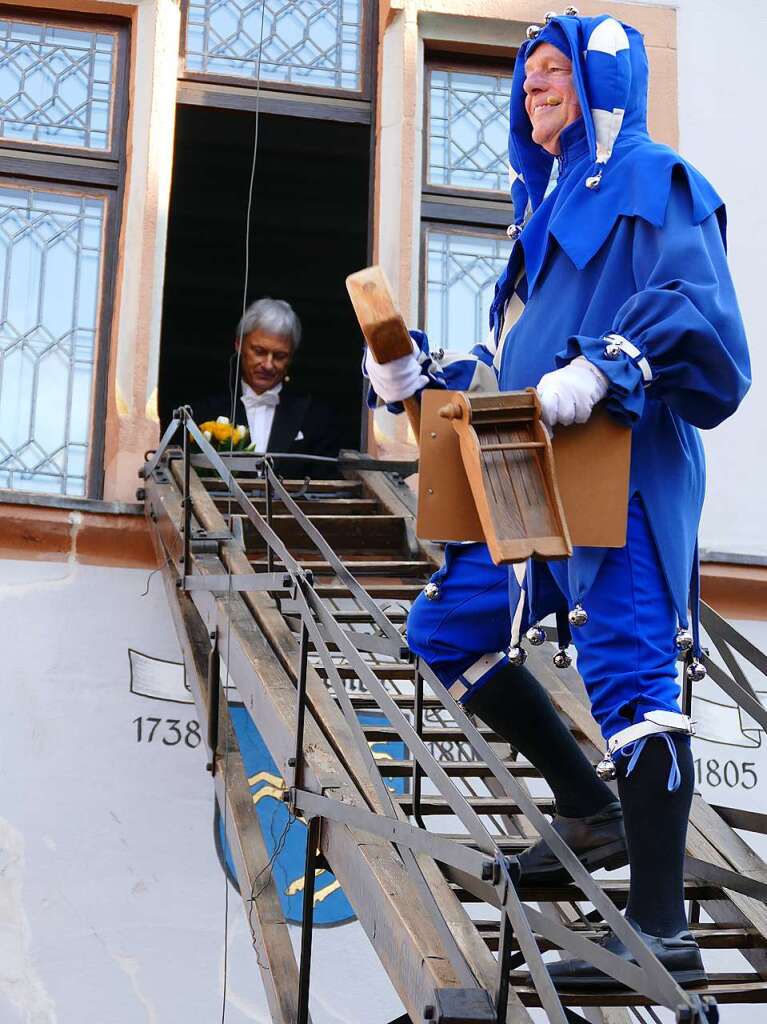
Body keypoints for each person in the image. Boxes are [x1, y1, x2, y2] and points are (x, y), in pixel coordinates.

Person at [365, 8, 750, 988]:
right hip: (524, 468)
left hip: (614, 463)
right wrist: (421, 376)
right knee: (448, 627)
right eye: (524, 75)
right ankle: (586, 803)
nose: (532, 85)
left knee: (627, 673)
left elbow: (700, 323)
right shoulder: (535, 224)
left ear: (601, 83)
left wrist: (604, 367)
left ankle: (659, 927)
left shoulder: (653, 181)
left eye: (551, 70)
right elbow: (511, 369)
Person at [194, 297, 342, 477]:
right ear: (239, 345)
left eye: (279, 356)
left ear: (291, 356)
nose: (268, 365)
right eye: (259, 351)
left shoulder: (314, 417)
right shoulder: (207, 409)